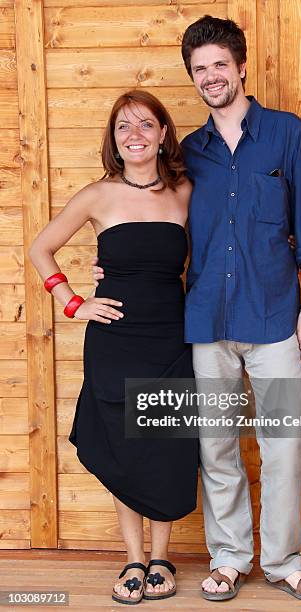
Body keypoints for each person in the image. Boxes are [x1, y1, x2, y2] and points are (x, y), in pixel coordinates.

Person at [92, 15, 301, 604]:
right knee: (217, 446)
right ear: (193, 78)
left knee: (283, 444)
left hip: (277, 315)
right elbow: (147, 219)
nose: (210, 77)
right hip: (205, 323)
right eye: (199, 69)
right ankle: (228, 558)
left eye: (220, 65)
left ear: (241, 67)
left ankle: (282, 562)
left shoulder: (287, 134)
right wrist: (113, 268)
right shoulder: (187, 156)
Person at [29, 90, 199, 605]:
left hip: (172, 337)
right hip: (116, 342)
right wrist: (73, 301)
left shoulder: (187, 192)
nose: (135, 135)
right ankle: (132, 559)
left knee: (167, 450)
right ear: (114, 139)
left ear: (164, 134)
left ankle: (162, 559)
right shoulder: (96, 195)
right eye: (124, 127)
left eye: (146, 125)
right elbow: (40, 247)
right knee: (124, 450)